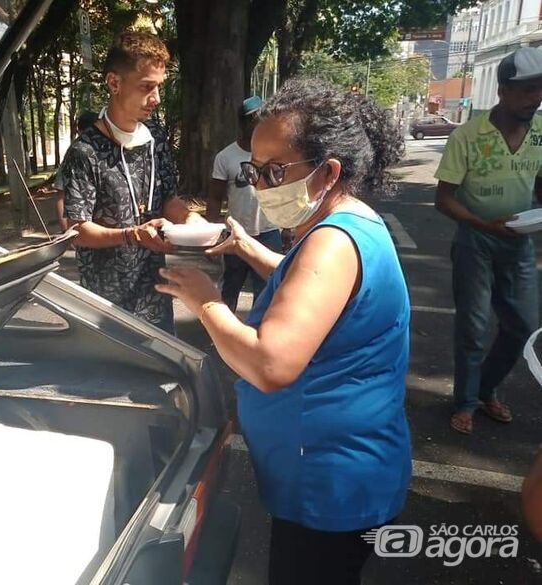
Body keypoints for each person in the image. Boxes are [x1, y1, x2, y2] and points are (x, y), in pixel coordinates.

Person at [156, 79, 411, 585]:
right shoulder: (347, 222)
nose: (260, 187)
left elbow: (270, 363)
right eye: (254, 171)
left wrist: (204, 300)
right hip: (334, 470)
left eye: (275, 172)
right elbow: (315, 296)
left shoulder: (332, 242)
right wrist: (247, 248)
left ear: (329, 171)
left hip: (329, 480)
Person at [59, 31, 204, 334]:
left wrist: (193, 221)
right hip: (106, 302)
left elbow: (168, 199)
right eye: (147, 87)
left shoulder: (156, 139)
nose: (156, 99)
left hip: (155, 294)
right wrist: (131, 235)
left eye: (159, 87)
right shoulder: (85, 151)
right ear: (114, 83)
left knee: (160, 373)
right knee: (113, 378)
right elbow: (76, 231)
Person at [434, 47, 542, 435]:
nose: (535, 98)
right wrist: (483, 223)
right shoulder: (468, 136)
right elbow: (443, 199)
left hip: (520, 243)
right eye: (527, 90)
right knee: (473, 326)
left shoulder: (541, 133)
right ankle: (465, 401)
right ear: (503, 90)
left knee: (524, 326)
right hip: (476, 241)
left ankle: (485, 388)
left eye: (540, 89)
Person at [207, 96, 283, 311]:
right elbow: (215, 197)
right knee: (230, 289)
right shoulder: (226, 157)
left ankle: (257, 334)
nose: (259, 123)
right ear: (242, 122)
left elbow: (284, 190)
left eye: (263, 118)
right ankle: (221, 335)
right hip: (236, 234)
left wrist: (288, 228)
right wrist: (213, 233)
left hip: (269, 232)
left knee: (267, 289)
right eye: (253, 119)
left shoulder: (274, 153)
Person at [52, 111, 99, 233]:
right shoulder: (75, 152)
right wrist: (66, 233)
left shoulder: (100, 150)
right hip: (81, 226)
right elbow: (61, 194)